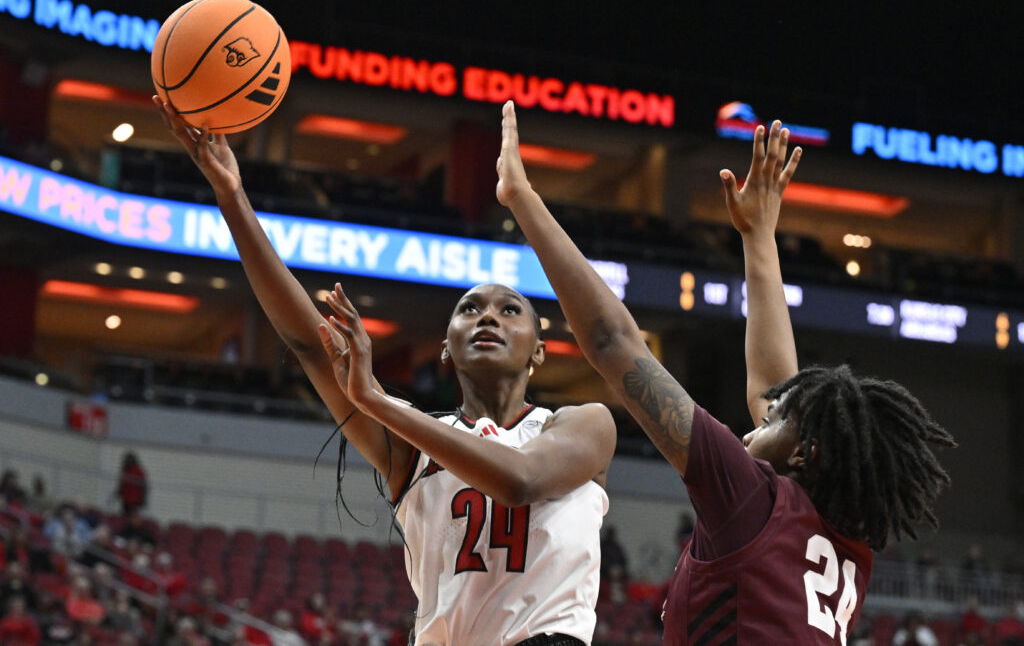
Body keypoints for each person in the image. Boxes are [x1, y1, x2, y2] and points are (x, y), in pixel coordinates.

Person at [155, 97, 617, 646]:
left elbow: (521, 481)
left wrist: (374, 400)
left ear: (539, 351)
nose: (487, 316)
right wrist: (231, 196)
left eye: (509, 310)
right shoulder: (413, 447)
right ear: (445, 349)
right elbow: (309, 344)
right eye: (469, 309)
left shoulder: (586, 424)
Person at [495, 101, 956, 644]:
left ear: (806, 454)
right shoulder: (848, 546)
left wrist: (523, 200)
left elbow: (612, 341)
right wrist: (759, 238)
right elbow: (777, 391)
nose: (755, 422)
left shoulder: (750, 498)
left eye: (772, 421)